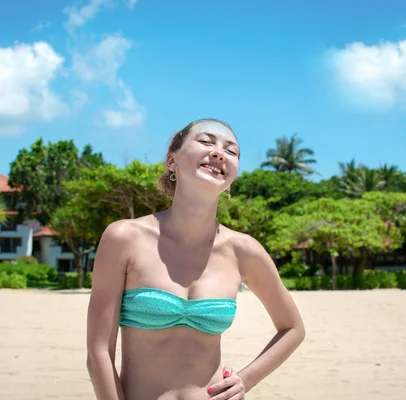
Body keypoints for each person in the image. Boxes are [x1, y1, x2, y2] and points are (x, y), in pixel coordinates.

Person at [86, 118, 305, 400]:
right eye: (205, 141)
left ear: (231, 178)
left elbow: (293, 328)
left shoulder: (243, 250)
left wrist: (245, 381)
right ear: (172, 161)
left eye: (232, 151)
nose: (218, 152)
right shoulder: (124, 238)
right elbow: (99, 353)